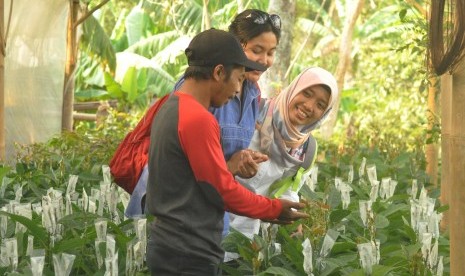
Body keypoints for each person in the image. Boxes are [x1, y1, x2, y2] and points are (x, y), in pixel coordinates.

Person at [145, 28, 309, 275]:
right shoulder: (198, 119)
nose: (238, 89)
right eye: (240, 78)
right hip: (187, 252)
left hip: (171, 244)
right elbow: (221, 190)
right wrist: (273, 209)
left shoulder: (171, 107)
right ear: (219, 72)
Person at [125, 9, 282, 223]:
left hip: (212, 216)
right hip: (179, 218)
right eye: (257, 50)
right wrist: (272, 209)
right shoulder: (202, 90)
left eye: (271, 53)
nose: (264, 60)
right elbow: (184, 170)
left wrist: (241, 160)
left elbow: (219, 164)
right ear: (233, 48)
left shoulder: (253, 94)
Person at [224, 66, 339, 262]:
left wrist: (293, 215)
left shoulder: (306, 150)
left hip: (249, 244)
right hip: (212, 226)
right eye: (307, 94)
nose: (309, 106)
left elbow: (286, 189)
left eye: (320, 105)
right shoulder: (251, 111)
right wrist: (233, 165)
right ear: (294, 88)